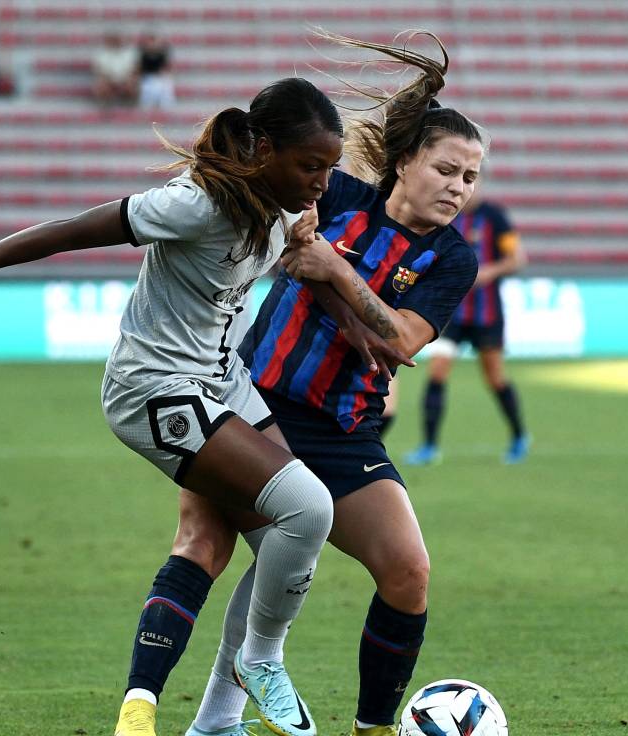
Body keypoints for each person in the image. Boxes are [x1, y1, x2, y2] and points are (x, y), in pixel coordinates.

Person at [0, 78, 354, 736]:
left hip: (221, 380)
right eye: (312, 166)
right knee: (310, 506)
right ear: (265, 149)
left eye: (331, 169)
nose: (323, 184)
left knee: (283, 536)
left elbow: (307, 260)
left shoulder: (288, 207)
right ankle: (260, 661)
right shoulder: (196, 205)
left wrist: (359, 325)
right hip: (154, 387)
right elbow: (72, 230)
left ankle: (217, 719)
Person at [181, 31, 484, 736]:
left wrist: (335, 268)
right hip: (256, 403)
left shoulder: (452, 259)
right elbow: (254, 184)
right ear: (404, 163)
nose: (458, 188)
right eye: (446, 170)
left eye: (471, 178)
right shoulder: (336, 194)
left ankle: (372, 727)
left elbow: (401, 341)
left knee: (408, 572)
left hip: (346, 428)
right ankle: (191, 715)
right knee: (224, 553)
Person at [404, 186, 530, 466]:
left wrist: (489, 271)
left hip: (487, 315)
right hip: (453, 315)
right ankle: (429, 445)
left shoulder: (495, 217)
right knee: (437, 372)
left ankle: (519, 436)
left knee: (495, 377)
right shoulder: (447, 216)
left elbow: (517, 259)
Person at [92, 32, 138, 107]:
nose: (116, 42)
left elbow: (134, 69)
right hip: (108, 79)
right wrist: (110, 79)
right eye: (114, 40)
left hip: (125, 79)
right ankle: (105, 105)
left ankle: (129, 104)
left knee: (132, 84)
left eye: (118, 40)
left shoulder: (129, 53)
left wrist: (127, 78)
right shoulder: (102, 53)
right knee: (101, 86)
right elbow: (99, 70)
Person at [138, 32, 175, 109]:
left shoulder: (162, 54)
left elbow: (166, 68)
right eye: (150, 42)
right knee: (148, 89)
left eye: (154, 42)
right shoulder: (143, 54)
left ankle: (166, 107)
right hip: (146, 78)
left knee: (165, 85)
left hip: (159, 78)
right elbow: (140, 69)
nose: (152, 44)